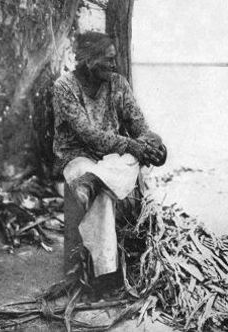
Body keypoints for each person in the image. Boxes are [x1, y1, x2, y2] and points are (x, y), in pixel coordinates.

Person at [52, 32, 166, 284]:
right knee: (104, 196)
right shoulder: (64, 87)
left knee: (130, 160)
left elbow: (139, 126)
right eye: (109, 59)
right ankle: (105, 274)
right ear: (89, 60)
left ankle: (92, 182)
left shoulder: (118, 84)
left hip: (111, 160)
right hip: (76, 156)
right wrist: (134, 146)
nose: (115, 65)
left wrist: (154, 145)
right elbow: (87, 134)